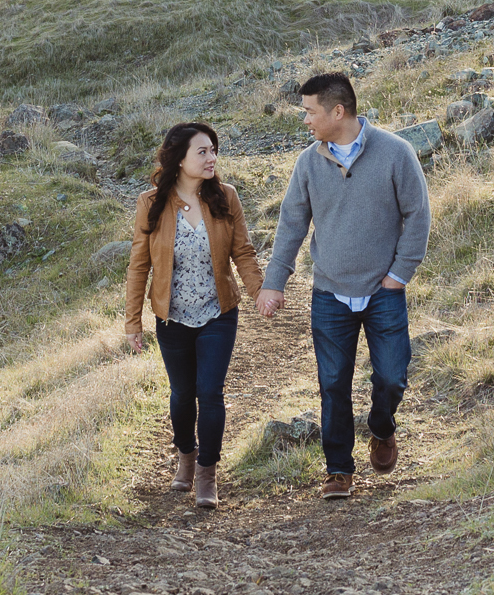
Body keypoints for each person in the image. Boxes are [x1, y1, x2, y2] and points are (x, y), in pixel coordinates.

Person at [256, 71, 428, 500]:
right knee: (333, 382)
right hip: (330, 292)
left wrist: (398, 275)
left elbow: (418, 216)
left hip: (383, 291)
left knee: (391, 377)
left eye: (310, 112)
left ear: (338, 111)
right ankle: (338, 469)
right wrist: (273, 283)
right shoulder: (308, 163)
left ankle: (382, 427)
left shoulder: (395, 153)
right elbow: (291, 225)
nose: (305, 120)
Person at [123, 121, 263, 509]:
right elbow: (139, 266)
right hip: (172, 318)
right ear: (179, 159)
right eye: (202, 151)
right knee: (183, 395)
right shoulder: (150, 204)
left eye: (213, 150)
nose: (211, 158)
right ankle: (185, 456)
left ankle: (206, 471)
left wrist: (259, 292)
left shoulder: (225, 197)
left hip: (219, 312)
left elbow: (244, 252)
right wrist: (133, 321)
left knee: (210, 392)